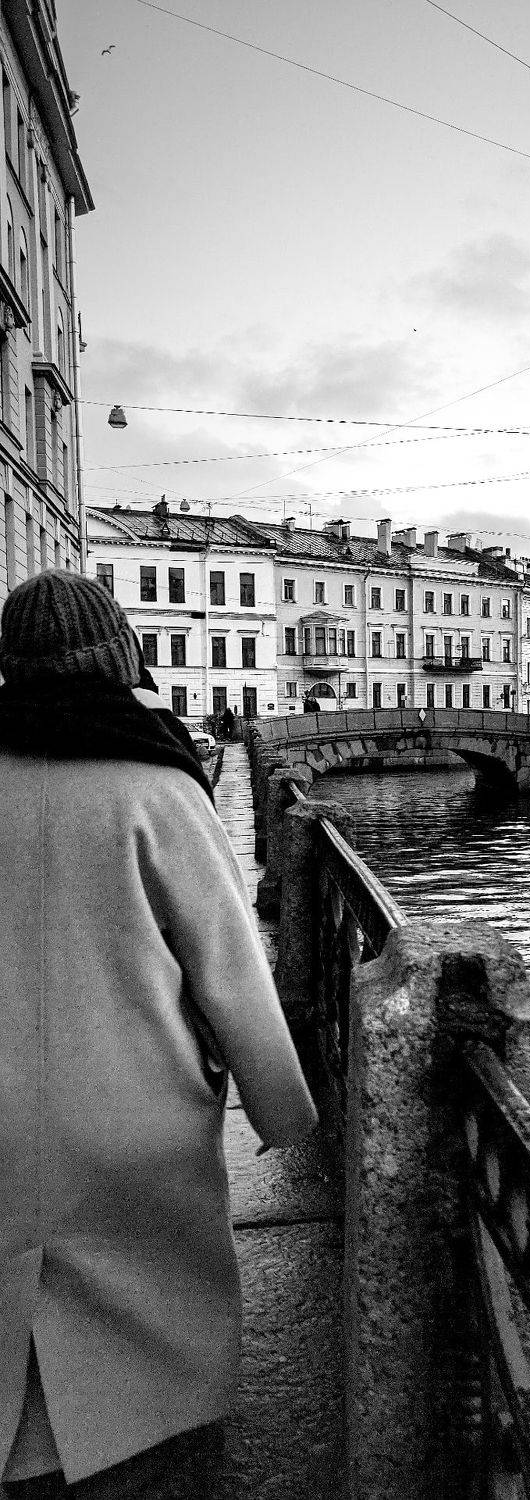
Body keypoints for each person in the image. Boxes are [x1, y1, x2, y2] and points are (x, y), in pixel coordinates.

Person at [0, 572, 317, 1498]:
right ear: (123, 661)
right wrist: (283, 1109)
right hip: (134, 1110)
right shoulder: (158, 783)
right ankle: (132, 1442)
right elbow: (227, 966)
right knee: (146, 1314)